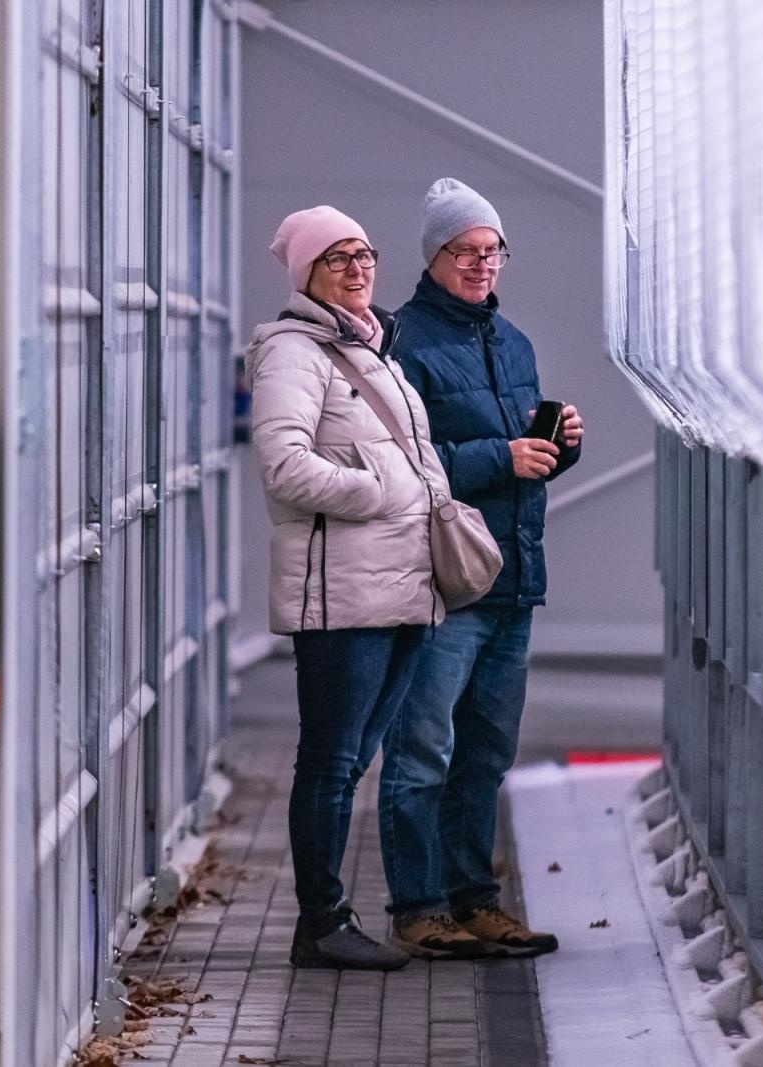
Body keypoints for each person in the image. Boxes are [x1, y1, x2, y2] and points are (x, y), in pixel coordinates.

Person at [379, 178, 583, 959]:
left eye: (491, 249)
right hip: (446, 583)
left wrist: (556, 447)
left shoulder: (516, 343)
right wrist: (502, 455)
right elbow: (406, 465)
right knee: (422, 750)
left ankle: (475, 900)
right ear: (432, 257)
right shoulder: (403, 344)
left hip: (511, 583)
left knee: (486, 755)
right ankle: (419, 906)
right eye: (463, 250)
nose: (480, 262)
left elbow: (517, 469)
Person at [246, 204, 454, 970]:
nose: (359, 268)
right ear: (306, 274)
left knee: (353, 759)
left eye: (364, 252)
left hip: (398, 587)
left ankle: (328, 916)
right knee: (331, 762)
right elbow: (284, 466)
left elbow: (414, 459)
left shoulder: (373, 347)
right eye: (337, 258)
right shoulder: (293, 353)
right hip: (342, 597)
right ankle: (321, 922)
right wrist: (381, 492)